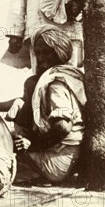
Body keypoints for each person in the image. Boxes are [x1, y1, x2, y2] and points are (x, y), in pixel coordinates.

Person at [11, 25, 86, 184]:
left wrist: (33, 146)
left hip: (59, 162)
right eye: (38, 53)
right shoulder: (70, 74)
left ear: (59, 53)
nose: (41, 58)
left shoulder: (55, 84)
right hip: (71, 158)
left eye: (47, 53)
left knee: (2, 147)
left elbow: (63, 126)